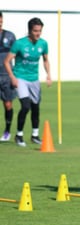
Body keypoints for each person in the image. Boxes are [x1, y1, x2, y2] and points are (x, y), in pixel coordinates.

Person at [4, 17, 52, 147]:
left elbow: (46, 60)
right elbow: (6, 61)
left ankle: (35, 135)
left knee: (36, 107)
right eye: (36, 31)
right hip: (21, 78)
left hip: (34, 80)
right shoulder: (19, 44)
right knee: (25, 106)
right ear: (30, 30)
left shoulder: (43, 44)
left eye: (40, 31)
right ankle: (19, 135)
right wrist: (12, 77)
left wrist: (48, 74)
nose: (38, 33)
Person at [0, 12, 16, 142]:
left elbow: (17, 54)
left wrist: (14, 75)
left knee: (8, 104)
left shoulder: (10, 36)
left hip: (6, 76)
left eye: (0, 21)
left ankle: (7, 131)